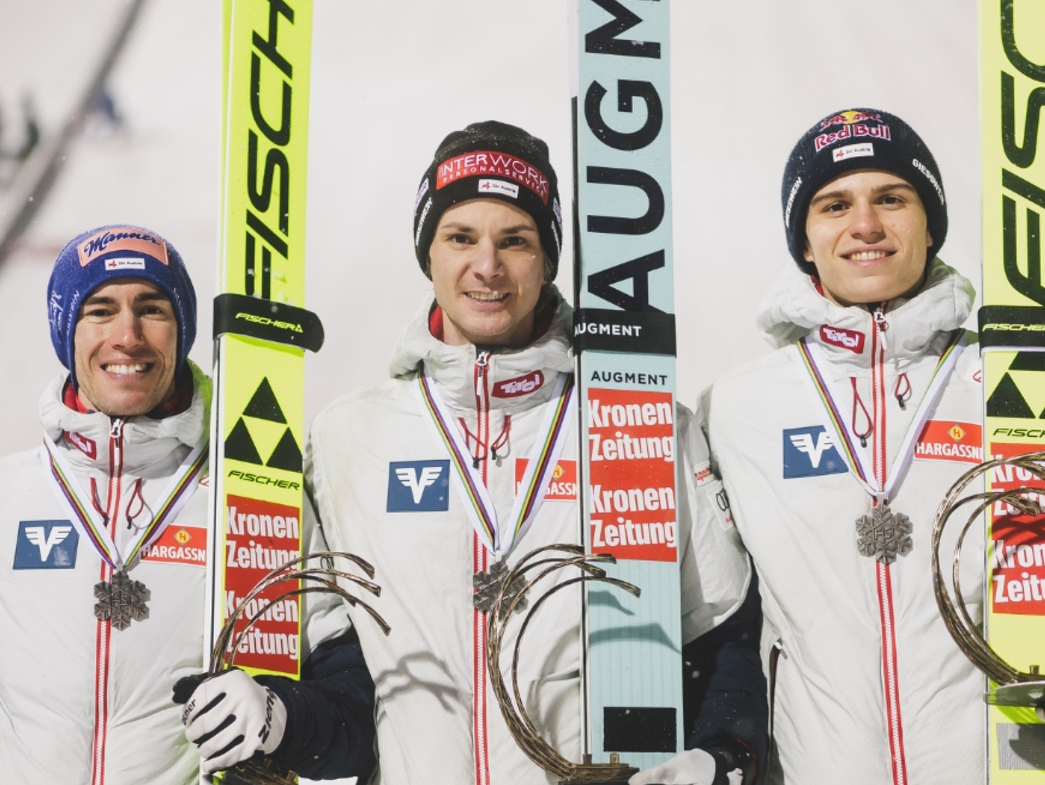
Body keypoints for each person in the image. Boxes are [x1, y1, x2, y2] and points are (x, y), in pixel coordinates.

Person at [695, 108, 1045, 783]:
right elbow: (726, 625)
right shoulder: (736, 408)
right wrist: (724, 745)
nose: (865, 225)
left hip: (1009, 771)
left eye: (892, 198)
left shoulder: (1016, 379)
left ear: (930, 223)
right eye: (835, 205)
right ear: (804, 238)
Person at [299, 121, 766, 785]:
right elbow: (341, 678)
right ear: (427, 253)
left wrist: (722, 756)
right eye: (461, 237)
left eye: (515, 240)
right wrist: (279, 721)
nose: (487, 267)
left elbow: (718, 634)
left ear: (547, 260)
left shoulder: (640, 423)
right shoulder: (348, 437)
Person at [0, 224, 375, 783]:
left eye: (152, 309)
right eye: (100, 310)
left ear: (182, 329)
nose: (128, 335)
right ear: (66, 332)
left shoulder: (257, 495)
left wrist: (282, 717)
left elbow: (356, 716)